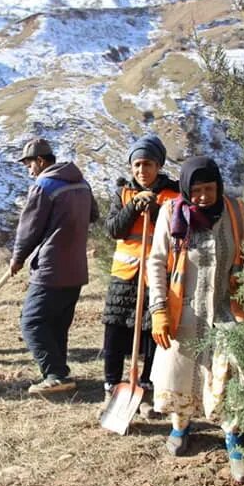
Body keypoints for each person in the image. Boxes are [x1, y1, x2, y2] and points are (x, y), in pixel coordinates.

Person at [146, 156, 244, 483]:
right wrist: (159, 310)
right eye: (197, 190)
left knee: (229, 374)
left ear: (219, 187)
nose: (204, 196)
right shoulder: (171, 213)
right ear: (185, 189)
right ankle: (181, 424)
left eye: (210, 189)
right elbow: (156, 262)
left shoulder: (235, 211)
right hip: (184, 309)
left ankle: (234, 438)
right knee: (180, 372)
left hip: (224, 309)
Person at [10, 137, 98, 396]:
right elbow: (93, 215)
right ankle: (62, 373)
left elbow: (29, 228)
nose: (29, 170)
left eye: (29, 164)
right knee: (57, 322)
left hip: (52, 267)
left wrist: (18, 257)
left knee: (32, 321)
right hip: (77, 268)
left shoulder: (43, 186)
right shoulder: (82, 183)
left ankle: (55, 374)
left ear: (40, 161)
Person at [101, 135, 179, 410]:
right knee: (114, 329)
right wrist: (134, 206)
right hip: (124, 275)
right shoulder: (123, 193)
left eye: (147, 164)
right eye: (136, 164)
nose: (141, 171)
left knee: (151, 332)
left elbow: (177, 230)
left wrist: (155, 209)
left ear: (158, 165)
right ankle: (112, 384)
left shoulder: (173, 194)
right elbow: (113, 230)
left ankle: (146, 383)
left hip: (157, 276)